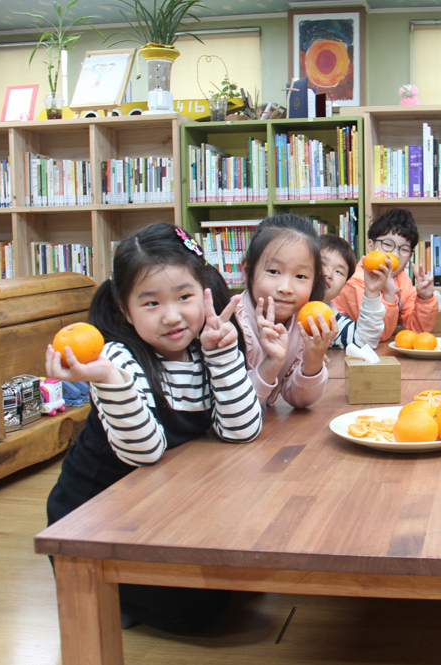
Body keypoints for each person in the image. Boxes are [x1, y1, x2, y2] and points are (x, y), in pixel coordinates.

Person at [45, 222, 263, 633]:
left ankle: (132, 590)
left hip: (163, 505)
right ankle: (108, 589)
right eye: (151, 304)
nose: (172, 316)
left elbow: (242, 431)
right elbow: (145, 452)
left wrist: (222, 355)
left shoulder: (207, 345)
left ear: (204, 294)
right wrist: (108, 381)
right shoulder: (116, 359)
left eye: (184, 297)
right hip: (98, 512)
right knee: (201, 612)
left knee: (237, 585)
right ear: (125, 310)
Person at [236, 214, 337, 407]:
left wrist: (313, 362)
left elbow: (299, 400)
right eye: (273, 271)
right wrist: (272, 362)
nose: (285, 287)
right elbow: (237, 407)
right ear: (247, 270)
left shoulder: (303, 322)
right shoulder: (232, 325)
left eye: (300, 276)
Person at [332, 208, 436, 342]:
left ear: (410, 257)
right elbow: (378, 335)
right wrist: (389, 293)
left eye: (404, 249)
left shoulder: (403, 280)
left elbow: (418, 331)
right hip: (342, 351)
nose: (395, 254)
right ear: (370, 246)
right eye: (387, 244)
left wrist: (425, 299)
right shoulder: (355, 279)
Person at [319, 234, 385, 349]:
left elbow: (364, 341)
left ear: (342, 288)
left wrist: (371, 291)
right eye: (322, 264)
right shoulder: (284, 304)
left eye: (339, 272)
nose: (328, 274)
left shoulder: (331, 319)